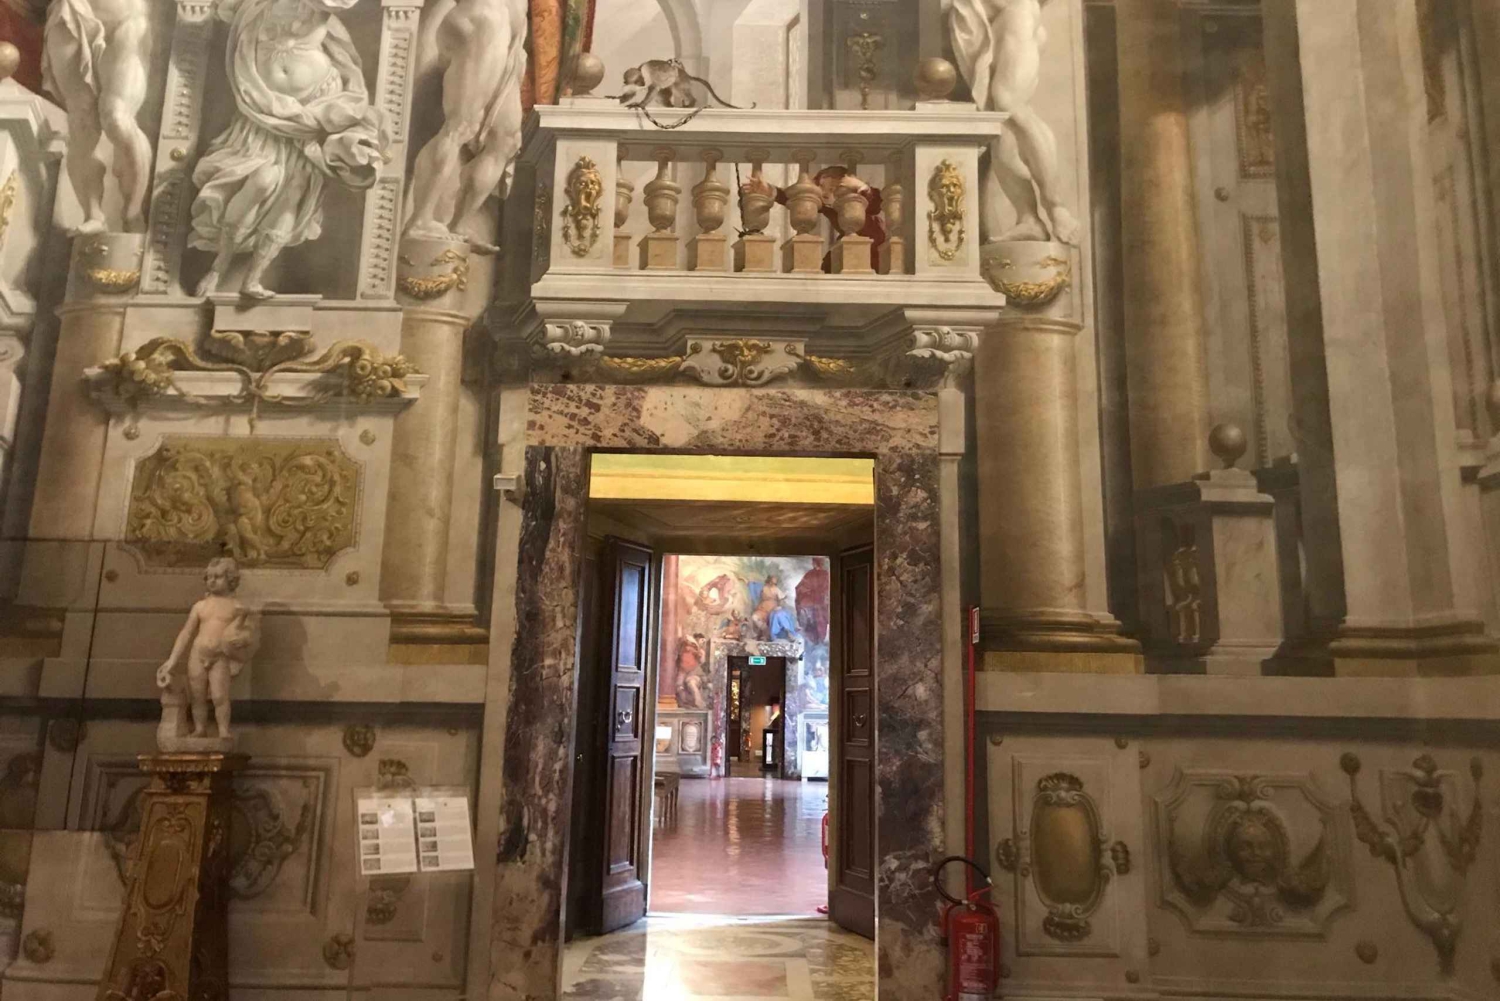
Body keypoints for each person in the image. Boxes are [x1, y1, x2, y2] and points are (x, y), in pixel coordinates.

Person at [189, 0, 387, 298]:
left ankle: (253, 279)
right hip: (263, 115)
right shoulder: (255, 6)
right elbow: (224, 11)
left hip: (311, 114)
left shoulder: (319, 5)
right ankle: (218, 267)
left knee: (292, 195)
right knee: (260, 181)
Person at [942, 0, 1079, 244]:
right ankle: (1029, 219)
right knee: (999, 130)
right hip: (994, 25)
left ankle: (1056, 206)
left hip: (1017, 15)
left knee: (1008, 104)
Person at [403, 0, 527, 251]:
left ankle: (459, 224)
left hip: (512, 37)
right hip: (484, 19)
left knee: (506, 140)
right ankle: (420, 219)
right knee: (460, 126)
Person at [42, 0, 153, 232]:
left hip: (126, 17)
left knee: (117, 117)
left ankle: (132, 213)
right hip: (69, 10)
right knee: (81, 120)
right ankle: (93, 215)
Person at [157, 557, 260, 739]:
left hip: (220, 656)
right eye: (209, 577)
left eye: (217, 577)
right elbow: (186, 633)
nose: (211, 581)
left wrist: (243, 640)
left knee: (220, 696)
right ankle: (200, 729)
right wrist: (172, 660)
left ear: (231, 579)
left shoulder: (237, 607)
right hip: (197, 655)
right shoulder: (200, 606)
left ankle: (223, 730)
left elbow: (249, 634)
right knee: (197, 696)